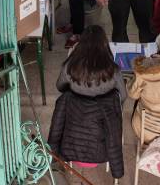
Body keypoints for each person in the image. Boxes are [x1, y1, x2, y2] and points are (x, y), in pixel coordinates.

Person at [49, 27, 124, 178]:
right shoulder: (113, 70)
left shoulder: (69, 67)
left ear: (81, 44)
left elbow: (60, 87)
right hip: (102, 146)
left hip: (71, 142)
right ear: (104, 45)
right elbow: (122, 97)